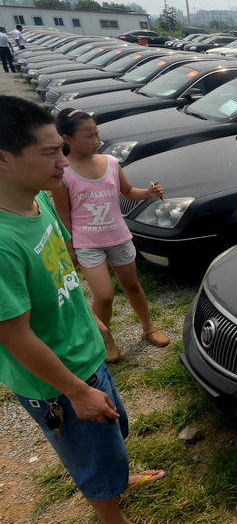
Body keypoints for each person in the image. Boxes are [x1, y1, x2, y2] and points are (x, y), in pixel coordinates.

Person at [0, 95, 171, 524]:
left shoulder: (37, 201)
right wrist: (75, 390)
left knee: (111, 433)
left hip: (84, 350)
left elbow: (64, 273)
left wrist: (92, 317)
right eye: (49, 152)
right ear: (4, 158)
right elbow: (13, 335)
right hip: (58, 380)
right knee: (89, 451)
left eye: (62, 148)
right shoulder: (1, 241)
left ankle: (118, 479)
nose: (63, 160)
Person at [51, 109, 169, 363]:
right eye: (88, 136)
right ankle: (103, 338)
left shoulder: (112, 163)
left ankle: (148, 328)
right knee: (104, 296)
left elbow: (128, 192)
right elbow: (63, 214)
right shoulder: (64, 173)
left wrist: (147, 193)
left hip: (118, 237)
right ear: (66, 139)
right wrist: (69, 249)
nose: (96, 140)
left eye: (97, 134)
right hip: (87, 244)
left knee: (133, 286)